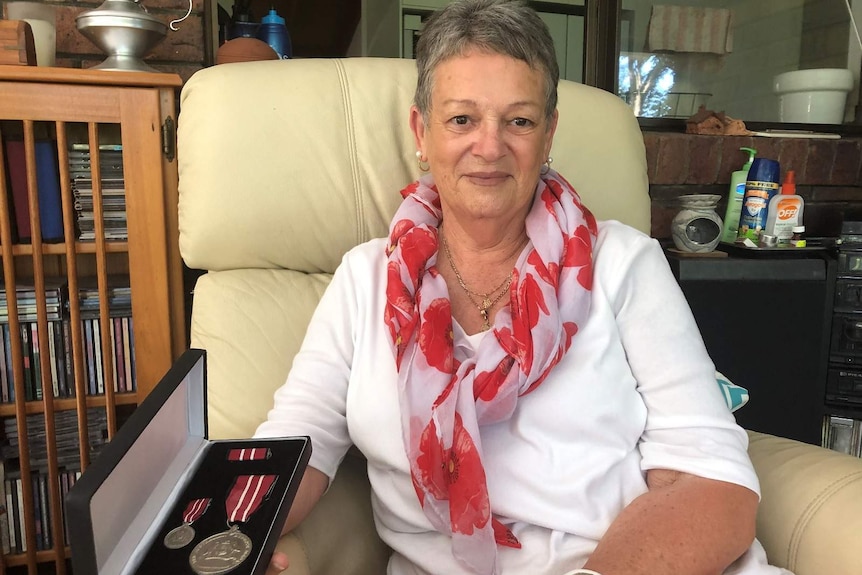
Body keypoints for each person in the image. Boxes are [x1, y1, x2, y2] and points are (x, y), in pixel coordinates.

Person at [258, 1, 792, 574]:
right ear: (422, 130)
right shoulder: (365, 280)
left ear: (549, 133)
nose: (489, 147)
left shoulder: (622, 264)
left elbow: (714, 484)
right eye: (461, 119)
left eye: (519, 120)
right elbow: (295, 446)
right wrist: (219, 536)